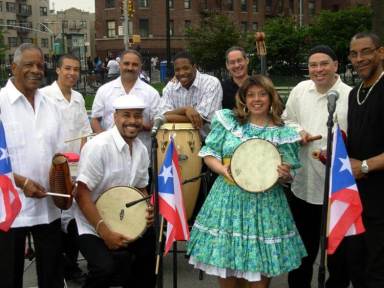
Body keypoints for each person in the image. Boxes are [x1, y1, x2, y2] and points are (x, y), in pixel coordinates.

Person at [187, 75, 306, 288]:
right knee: (226, 260)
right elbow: (209, 153)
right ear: (243, 99)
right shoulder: (229, 122)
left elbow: (288, 172)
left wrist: (285, 174)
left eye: (262, 94)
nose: (257, 99)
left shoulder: (283, 132)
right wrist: (222, 169)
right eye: (251, 95)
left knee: (260, 264)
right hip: (228, 198)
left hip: (266, 203)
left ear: (271, 98)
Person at [282, 45, 352, 288]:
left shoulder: (350, 95)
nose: (318, 69)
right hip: (303, 187)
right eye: (313, 65)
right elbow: (286, 120)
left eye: (324, 64)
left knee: (338, 259)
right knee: (302, 255)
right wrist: (298, 131)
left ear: (335, 65)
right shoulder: (300, 90)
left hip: (337, 190)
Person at [74, 95, 156, 288]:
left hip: (124, 219)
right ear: (115, 117)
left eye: (137, 116)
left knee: (148, 251)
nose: (133, 121)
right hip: (91, 223)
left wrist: (146, 207)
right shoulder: (98, 147)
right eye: (126, 115)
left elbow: (140, 187)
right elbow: (82, 195)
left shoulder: (141, 149)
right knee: (106, 268)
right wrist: (105, 232)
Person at [0, 43, 64, 288]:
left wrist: (62, 178)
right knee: (8, 277)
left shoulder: (50, 105)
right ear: (14, 67)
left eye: (40, 65)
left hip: (47, 205)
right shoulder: (1, 102)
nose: (36, 70)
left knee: (51, 276)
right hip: (9, 207)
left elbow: (57, 154)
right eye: (29, 65)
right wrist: (23, 182)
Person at [41, 54, 92, 281]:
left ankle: (70, 265)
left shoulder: (79, 98)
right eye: (68, 68)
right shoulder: (44, 96)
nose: (72, 73)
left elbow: (84, 132)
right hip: (53, 167)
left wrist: (81, 162)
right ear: (58, 70)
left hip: (75, 167)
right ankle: (58, 266)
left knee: (73, 217)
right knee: (55, 217)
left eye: (76, 69)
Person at [346, 32, 384, 288]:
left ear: (380, 53)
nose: (360, 59)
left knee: (378, 268)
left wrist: (366, 165)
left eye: (366, 51)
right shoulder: (354, 93)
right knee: (357, 264)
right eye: (354, 53)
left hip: (382, 197)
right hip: (357, 195)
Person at [91, 49, 160, 157]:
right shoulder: (104, 90)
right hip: (110, 154)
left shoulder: (151, 93)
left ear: (140, 67)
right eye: (126, 64)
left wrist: (135, 125)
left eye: (135, 64)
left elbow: (157, 123)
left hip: (141, 155)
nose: (130, 68)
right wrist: (103, 139)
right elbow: (95, 119)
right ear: (119, 65)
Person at [159, 51, 223, 136]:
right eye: (177, 70)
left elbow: (201, 119)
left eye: (186, 68)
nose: (181, 73)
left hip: (209, 142)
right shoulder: (170, 87)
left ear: (194, 67)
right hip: (178, 140)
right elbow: (164, 113)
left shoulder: (211, 83)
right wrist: (185, 110)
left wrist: (166, 118)